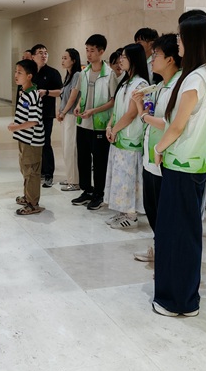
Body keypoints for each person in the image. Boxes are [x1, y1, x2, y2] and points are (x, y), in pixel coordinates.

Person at [152, 14, 206, 317]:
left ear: (192, 41)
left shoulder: (194, 79)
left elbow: (177, 125)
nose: (177, 42)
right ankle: (185, 297)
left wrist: (159, 147)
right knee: (187, 233)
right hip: (195, 166)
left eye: (180, 37)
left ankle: (176, 300)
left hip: (182, 167)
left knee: (176, 235)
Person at [130, 33, 182, 262]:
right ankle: (159, 248)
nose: (152, 59)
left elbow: (171, 123)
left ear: (170, 59)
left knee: (163, 211)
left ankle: (165, 253)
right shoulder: (160, 85)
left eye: (156, 55)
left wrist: (143, 116)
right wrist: (140, 105)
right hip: (151, 157)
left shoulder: (178, 86)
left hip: (164, 158)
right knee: (151, 207)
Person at [105, 44, 149, 229]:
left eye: (124, 57)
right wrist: (109, 126)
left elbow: (132, 113)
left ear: (134, 59)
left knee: (129, 178)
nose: (120, 60)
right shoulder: (125, 82)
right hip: (118, 137)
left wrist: (114, 130)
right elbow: (117, 110)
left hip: (130, 139)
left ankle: (131, 215)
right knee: (120, 176)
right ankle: (123, 211)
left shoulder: (141, 84)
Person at [72, 34, 118, 211]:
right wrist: (78, 106)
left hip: (100, 124)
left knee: (99, 161)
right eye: (87, 50)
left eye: (92, 50)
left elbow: (113, 101)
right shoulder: (84, 73)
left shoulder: (109, 74)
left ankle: (99, 193)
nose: (89, 54)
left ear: (101, 51)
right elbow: (82, 94)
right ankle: (87, 190)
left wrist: (94, 111)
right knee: (83, 159)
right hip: (82, 123)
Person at [9, 59, 45, 215]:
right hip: (24, 138)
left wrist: (15, 127)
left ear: (29, 76)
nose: (16, 75)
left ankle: (33, 204)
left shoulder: (32, 95)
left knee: (31, 171)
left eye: (20, 72)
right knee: (26, 168)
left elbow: (34, 121)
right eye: (16, 72)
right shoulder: (25, 92)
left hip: (32, 140)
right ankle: (27, 196)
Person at [32, 44, 63, 187]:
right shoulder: (29, 72)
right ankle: (40, 171)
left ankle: (49, 174)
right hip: (31, 114)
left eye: (45, 52)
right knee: (33, 143)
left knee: (45, 142)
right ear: (33, 56)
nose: (44, 55)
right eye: (40, 52)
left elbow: (60, 91)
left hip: (46, 113)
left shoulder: (53, 73)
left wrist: (47, 92)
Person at [57, 48, 82, 192]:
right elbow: (63, 96)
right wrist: (60, 111)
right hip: (65, 116)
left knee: (70, 149)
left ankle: (75, 182)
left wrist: (63, 112)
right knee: (65, 148)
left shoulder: (77, 75)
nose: (63, 60)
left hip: (72, 116)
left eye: (65, 58)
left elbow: (73, 97)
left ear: (73, 60)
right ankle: (70, 177)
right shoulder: (67, 76)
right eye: (62, 57)